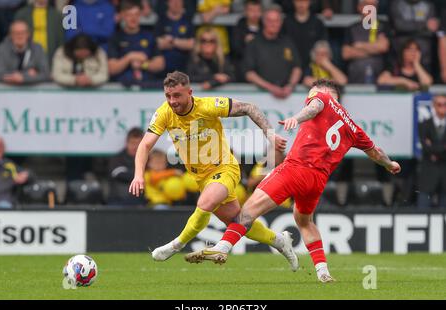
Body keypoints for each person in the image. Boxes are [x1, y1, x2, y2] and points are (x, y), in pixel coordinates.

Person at [185, 79, 401, 283]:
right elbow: (376, 152)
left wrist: (296, 118)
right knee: (304, 221)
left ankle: (222, 247)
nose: (309, 97)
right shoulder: (353, 128)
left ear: (325, 93)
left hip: (296, 169)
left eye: (311, 94)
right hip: (318, 180)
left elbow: (314, 107)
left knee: (247, 211)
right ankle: (323, 272)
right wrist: (390, 164)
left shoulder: (322, 99)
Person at [128, 71, 298, 271]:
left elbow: (249, 108)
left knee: (205, 203)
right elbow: (145, 145)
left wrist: (270, 136)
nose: (172, 101)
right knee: (239, 222)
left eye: (177, 96)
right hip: (201, 177)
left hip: (224, 168)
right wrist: (138, 174)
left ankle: (176, 245)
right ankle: (280, 241)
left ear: (190, 92)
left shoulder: (208, 106)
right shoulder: (164, 113)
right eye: (168, 96)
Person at [243, 5, 302, 99]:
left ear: (281, 22)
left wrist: (290, 86)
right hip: (261, 97)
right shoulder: (253, 43)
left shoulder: (287, 42)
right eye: (270, 21)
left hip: (288, 96)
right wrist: (270, 88)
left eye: (277, 21)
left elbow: (297, 68)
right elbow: (249, 74)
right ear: (263, 21)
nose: (274, 24)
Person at [108, 0, 165, 87]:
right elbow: (112, 68)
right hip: (122, 87)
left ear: (140, 15)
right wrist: (129, 57)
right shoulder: (116, 38)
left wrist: (144, 64)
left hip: (148, 85)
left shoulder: (149, 36)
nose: (133, 18)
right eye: (129, 15)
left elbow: (160, 64)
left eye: (136, 14)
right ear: (122, 15)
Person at [341, 0, 390, 84]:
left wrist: (359, 45)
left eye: (373, 5)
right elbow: (346, 53)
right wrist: (375, 49)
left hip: (379, 81)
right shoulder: (351, 28)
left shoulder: (384, 26)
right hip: (354, 81)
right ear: (359, 7)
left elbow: (383, 47)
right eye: (367, 5)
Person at [389, 0, 438, 73]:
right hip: (401, 56)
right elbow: (399, 25)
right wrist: (424, 25)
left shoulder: (429, 6)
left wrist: (408, 27)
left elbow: (432, 29)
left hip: (424, 56)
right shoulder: (396, 4)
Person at [0, 20, 50, 85]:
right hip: (8, 91)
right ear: (10, 35)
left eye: (23, 32)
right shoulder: (2, 49)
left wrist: (23, 78)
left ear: (28, 34)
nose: (20, 36)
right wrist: (27, 75)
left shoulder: (37, 49)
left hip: (33, 92)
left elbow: (45, 74)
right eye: (16, 33)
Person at [283, 0, 328, 74]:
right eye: (298, 1)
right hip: (289, 68)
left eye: (304, 1)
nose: (301, 4)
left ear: (309, 2)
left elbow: (323, 48)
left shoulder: (318, 23)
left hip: (313, 69)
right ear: (293, 2)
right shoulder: (286, 22)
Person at [417, 94, 446, 208]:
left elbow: (429, 148)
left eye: (445, 104)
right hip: (428, 174)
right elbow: (425, 147)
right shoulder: (424, 125)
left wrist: (433, 148)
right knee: (422, 212)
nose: (443, 107)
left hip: (445, 176)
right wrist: (443, 148)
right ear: (434, 106)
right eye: (439, 104)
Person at [107, 127, 147, 206]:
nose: (135, 147)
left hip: (141, 202)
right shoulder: (117, 158)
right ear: (127, 142)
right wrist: (140, 175)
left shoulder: (148, 158)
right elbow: (118, 174)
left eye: (138, 143)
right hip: (117, 200)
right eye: (132, 143)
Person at [155, 0, 195, 75]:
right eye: (173, 1)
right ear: (168, 3)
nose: (176, 3)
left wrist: (172, 40)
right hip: (164, 68)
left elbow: (191, 44)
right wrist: (182, 43)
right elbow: (158, 44)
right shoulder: (161, 20)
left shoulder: (187, 20)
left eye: (179, 1)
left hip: (184, 66)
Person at [231, 0, 262, 81]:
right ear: (245, 12)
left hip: (263, 69)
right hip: (243, 72)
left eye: (257, 10)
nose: (255, 14)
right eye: (251, 10)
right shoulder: (238, 28)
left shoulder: (265, 27)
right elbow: (235, 51)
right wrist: (245, 43)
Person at [0, 136, 31, 208]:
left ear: (3, 148)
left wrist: (25, 175)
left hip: (3, 200)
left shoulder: (9, 165)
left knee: (5, 205)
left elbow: (28, 174)